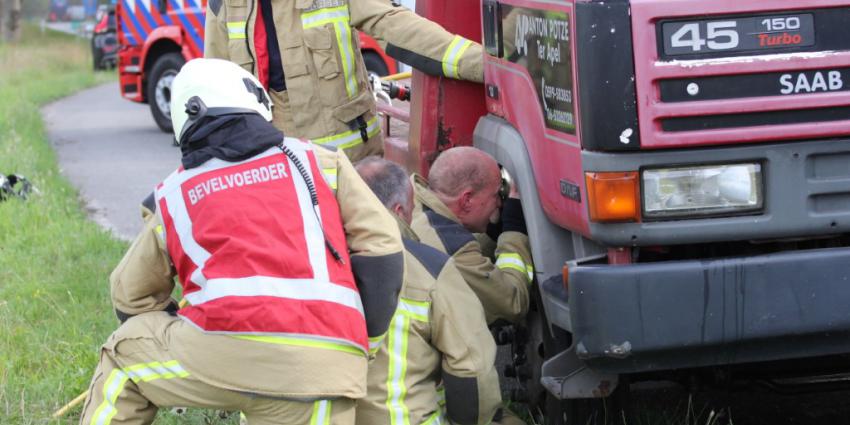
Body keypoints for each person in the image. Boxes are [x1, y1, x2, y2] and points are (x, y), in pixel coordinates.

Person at [78, 58, 404, 425]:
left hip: (218, 354)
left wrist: (180, 326)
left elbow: (128, 294)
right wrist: (364, 344)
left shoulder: (174, 194)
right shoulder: (322, 163)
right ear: (256, 105)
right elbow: (384, 255)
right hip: (325, 370)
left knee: (124, 354)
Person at [203, 0, 484, 162]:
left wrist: (484, 65)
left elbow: (396, 25)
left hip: (350, 167)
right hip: (270, 167)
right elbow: (215, 82)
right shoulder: (224, 4)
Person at [354, 157, 502, 425]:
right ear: (399, 211)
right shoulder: (429, 268)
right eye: (412, 209)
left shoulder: (315, 260)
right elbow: (472, 366)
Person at [410, 147, 532, 324]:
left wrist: (492, 234)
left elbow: (467, 256)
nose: (499, 202)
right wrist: (514, 230)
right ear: (467, 200)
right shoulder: (453, 249)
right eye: (496, 195)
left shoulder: (414, 203)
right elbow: (512, 303)